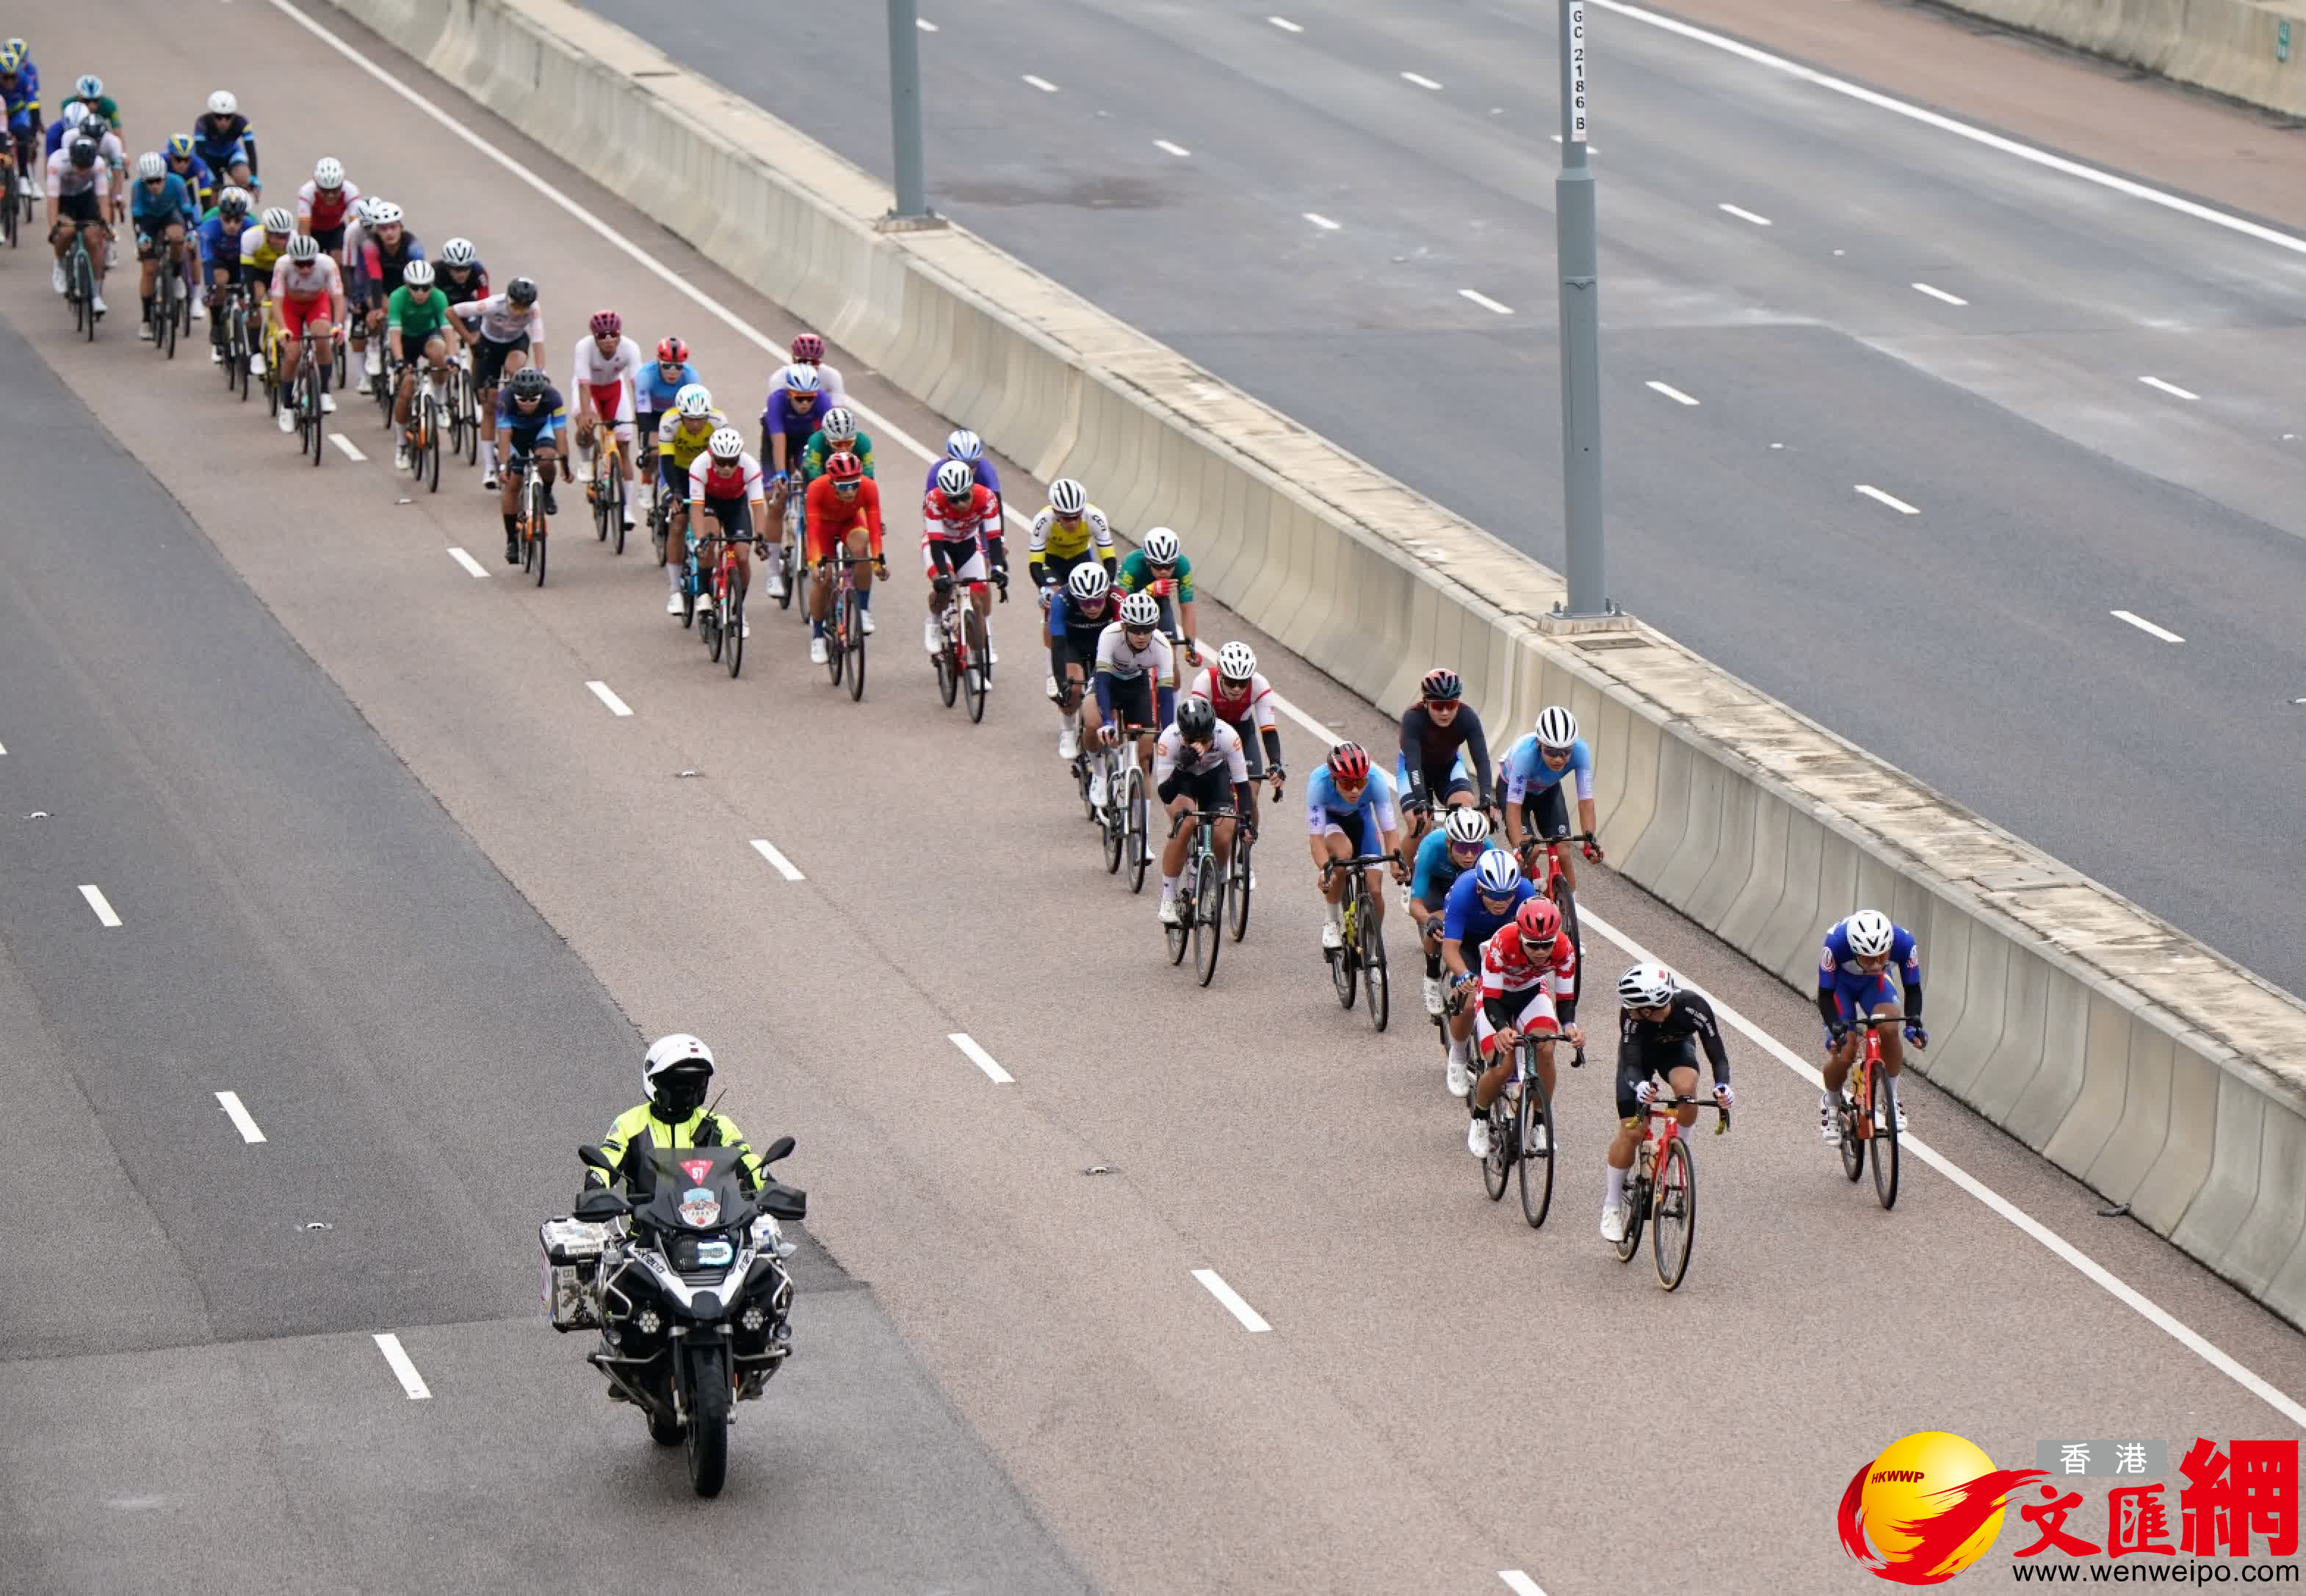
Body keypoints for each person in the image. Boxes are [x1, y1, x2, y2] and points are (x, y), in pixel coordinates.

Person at [1603, 963, 1732, 1243]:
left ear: (1650, 1008)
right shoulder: (1631, 1018)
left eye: (1635, 1008)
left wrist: (1722, 1086)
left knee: (1687, 1089)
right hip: (1639, 1059)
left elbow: (1717, 1054)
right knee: (1632, 1132)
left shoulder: (1693, 1006)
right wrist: (1640, 1086)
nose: (1630, 1010)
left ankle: (1679, 1147)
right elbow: (1632, 1062)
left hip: (1675, 1051)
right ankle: (1611, 1206)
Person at [582, 1034, 769, 1201]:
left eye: (696, 1082)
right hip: (645, 1234)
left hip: (714, 1229)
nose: (687, 1090)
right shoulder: (630, 1123)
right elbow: (607, 1161)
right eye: (678, 1082)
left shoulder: (719, 1125)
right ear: (655, 1081)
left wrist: (769, 1185)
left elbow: (747, 1160)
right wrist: (595, 1189)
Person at [1465, 897, 1581, 1160]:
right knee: (1503, 1066)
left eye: (1546, 945)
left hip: (1531, 992)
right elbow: (1492, 998)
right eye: (1533, 945)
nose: (1541, 952)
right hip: (1496, 996)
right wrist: (1502, 1028)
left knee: (1546, 1049)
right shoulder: (1502, 943)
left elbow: (1565, 998)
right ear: (1520, 935)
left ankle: (1540, 1122)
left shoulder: (1565, 948)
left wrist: (1570, 1026)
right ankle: (1480, 1118)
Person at [1816, 909, 1924, 1141]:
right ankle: (1832, 1104)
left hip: (1875, 986)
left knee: (1889, 1029)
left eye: (1882, 957)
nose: (1876, 964)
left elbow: (1913, 989)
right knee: (1845, 1054)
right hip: (1840, 986)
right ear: (1855, 951)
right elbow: (1825, 995)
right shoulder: (1835, 944)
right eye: (1868, 958)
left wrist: (1914, 1023)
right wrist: (1835, 1028)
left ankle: (1891, 1098)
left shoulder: (1904, 942)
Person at [1439, 848, 1535, 1096]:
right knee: (1472, 1001)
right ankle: (1458, 1057)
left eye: (1507, 896)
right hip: (1468, 942)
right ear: (1480, 888)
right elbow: (1450, 950)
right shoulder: (1462, 892)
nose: (1501, 902)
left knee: (1517, 994)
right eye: (1494, 895)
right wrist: (1464, 976)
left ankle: (1517, 1066)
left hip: (1505, 943)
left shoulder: (1525, 892)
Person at [1304, 741, 1406, 956]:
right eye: (1347, 783)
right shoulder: (1318, 783)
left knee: (1375, 889)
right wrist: (1325, 870)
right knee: (1342, 856)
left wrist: (1397, 862)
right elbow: (1315, 839)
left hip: (1362, 822)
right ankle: (1331, 921)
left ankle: (1372, 948)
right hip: (1332, 823)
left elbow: (1390, 831)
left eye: (1360, 782)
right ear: (1333, 778)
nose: (1355, 790)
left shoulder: (1376, 781)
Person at [1153, 696, 1248, 928]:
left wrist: (1245, 822)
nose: (1198, 744)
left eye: (1204, 739)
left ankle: (1211, 883)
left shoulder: (1228, 736)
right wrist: (1181, 766)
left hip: (1214, 779)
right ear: (1182, 734)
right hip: (1182, 782)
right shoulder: (1169, 739)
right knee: (1185, 823)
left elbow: (1243, 786)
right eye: (1191, 740)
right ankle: (1168, 897)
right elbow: (1165, 795)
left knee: (1224, 833)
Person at [1185, 640, 1284, 845]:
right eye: (1231, 682)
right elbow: (1196, 726)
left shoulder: (1260, 685)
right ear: (1220, 674)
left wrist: (1276, 763)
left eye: (1243, 682)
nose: (1237, 688)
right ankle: (1196, 846)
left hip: (1242, 733)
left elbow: (1269, 730)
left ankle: (1246, 850)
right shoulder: (1205, 681)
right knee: (1200, 788)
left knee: (1252, 795)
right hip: (1209, 733)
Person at [449, 274, 543, 488]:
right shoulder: (492, 305)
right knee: (490, 406)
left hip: (514, 344)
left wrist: (541, 371)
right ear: (508, 299)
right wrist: (469, 338)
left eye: (524, 307)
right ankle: (490, 468)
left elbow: (538, 341)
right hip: (489, 348)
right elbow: (452, 312)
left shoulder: (534, 309)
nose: (519, 311)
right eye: (516, 306)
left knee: (515, 371)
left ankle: (514, 415)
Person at [1084, 590, 1174, 809]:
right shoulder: (1110, 635)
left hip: (1137, 686)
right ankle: (1098, 772)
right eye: (1135, 629)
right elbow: (1103, 682)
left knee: (1144, 758)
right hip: (1108, 682)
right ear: (1124, 626)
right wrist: (1107, 721)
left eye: (1147, 629)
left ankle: (1141, 837)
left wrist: (1168, 731)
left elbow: (1166, 695)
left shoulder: (1162, 646)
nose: (1142, 636)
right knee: (1093, 724)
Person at [1500, 704, 1602, 893]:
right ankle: (1513, 898)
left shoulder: (1581, 751)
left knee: (1563, 850)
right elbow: (1514, 807)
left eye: (1565, 752)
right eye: (1552, 752)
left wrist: (1590, 841)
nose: (1559, 759)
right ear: (1539, 744)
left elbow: (1586, 799)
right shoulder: (1525, 756)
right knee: (1531, 850)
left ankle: (1568, 907)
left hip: (1547, 791)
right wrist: (1519, 849)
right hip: (1512, 793)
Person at [1409, 806, 1494, 1019]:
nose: (1469, 855)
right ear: (1449, 843)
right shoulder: (1431, 847)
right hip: (1438, 885)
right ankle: (1431, 975)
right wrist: (1428, 920)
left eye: (1475, 849)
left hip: (1468, 887)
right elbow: (1415, 905)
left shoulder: (1488, 850)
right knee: (1439, 924)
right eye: (1462, 847)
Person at [921, 457, 1006, 660]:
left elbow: (994, 539)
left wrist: (999, 570)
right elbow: (935, 542)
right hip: (941, 547)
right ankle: (934, 619)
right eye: (953, 499)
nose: (960, 503)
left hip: (968, 545)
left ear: (971, 487)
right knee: (946, 584)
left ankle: (978, 662)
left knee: (978, 601)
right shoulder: (933, 499)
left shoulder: (987, 498)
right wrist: (942, 575)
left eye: (964, 497)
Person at [803, 448, 883, 664]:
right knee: (824, 578)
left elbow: (875, 528)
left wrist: (878, 563)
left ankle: (864, 609)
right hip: (823, 528)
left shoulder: (868, 487)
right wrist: (815, 563)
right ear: (831, 483)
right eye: (843, 486)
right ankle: (818, 636)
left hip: (850, 522)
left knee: (862, 553)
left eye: (854, 485)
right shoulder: (817, 488)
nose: (850, 492)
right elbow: (812, 531)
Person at [655, 384, 730, 614]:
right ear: (681, 415)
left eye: (700, 419)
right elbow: (666, 462)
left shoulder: (718, 421)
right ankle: (675, 590)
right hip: (676, 473)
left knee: (712, 527)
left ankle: (708, 583)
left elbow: (724, 459)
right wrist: (675, 492)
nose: (696, 424)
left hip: (706, 475)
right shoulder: (669, 422)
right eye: (690, 419)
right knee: (678, 521)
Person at [1395, 668, 1492, 842]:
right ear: (1425, 703)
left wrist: (1486, 797)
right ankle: (1406, 869)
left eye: (1451, 705)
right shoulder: (1413, 718)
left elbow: (1482, 760)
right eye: (1438, 706)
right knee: (1420, 825)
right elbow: (1413, 763)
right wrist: (1422, 799)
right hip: (1415, 771)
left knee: (1465, 816)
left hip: (1448, 767)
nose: (1445, 712)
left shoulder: (1467, 717)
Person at [687, 426, 767, 634]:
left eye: (731, 462)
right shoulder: (699, 466)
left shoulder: (749, 465)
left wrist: (760, 538)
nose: (726, 468)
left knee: (742, 555)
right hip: (710, 503)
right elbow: (696, 509)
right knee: (709, 542)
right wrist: (699, 539)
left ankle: (738, 610)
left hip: (736, 505)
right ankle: (704, 593)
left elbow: (758, 506)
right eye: (721, 462)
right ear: (712, 456)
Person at [568, 308, 643, 534]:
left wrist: (641, 416)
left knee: (623, 446)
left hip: (613, 390)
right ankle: (585, 464)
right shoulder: (584, 348)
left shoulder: (630, 348)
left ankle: (627, 509)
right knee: (586, 426)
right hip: (588, 389)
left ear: (620, 334)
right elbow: (583, 385)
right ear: (595, 337)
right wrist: (585, 415)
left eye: (613, 335)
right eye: (603, 337)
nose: (609, 340)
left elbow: (636, 385)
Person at [387, 259, 463, 466]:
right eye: (415, 288)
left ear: (433, 285)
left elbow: (448, 331)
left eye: (425, 288)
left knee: (439, 353)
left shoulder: (439, 297)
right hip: (404, 340)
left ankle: (438, 404)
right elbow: (394, 334)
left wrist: (453, 357)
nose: (421, 293)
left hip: (427, 335)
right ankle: (402, 444)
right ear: (406, 286)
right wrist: (401, 362)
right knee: (407, 386)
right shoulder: (397, 298)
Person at [270, 232, 344, 427]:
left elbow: (338, 299)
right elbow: (276, 302)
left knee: (322, 336)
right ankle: (286, 406)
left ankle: (325, 391)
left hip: (316, 304)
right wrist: (283, 329)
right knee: (293, 354)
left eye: (309, 264)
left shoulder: (327, 264)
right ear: (291, 261)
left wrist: (338, 326)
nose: (305, 269)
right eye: (299, 264)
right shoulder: (282, 265)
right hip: (290, 306)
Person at [496, 364, 571, 561]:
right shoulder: (504, 400)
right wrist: (503, 466)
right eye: (522, 399)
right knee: (513, 483)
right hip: (515, 435)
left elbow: (560, 434)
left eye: (533, 399)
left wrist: (565, 464)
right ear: (514, 396)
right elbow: (504, 436)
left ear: (541, 395)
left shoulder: (553, 397)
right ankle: (511, 539)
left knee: (547, 458)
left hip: (541, 430)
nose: (528, 403)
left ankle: (546, 491)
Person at [1047, 560, 1115, 761]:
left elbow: (1124, 638)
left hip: (1103, 643)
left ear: (1105, 594)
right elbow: (1057, 646)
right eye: (1085, 603)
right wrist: (1062, 686)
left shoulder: (1117, 597)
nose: (1092, 607)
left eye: (1097, 601)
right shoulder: (1061, 600)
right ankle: (1067, 729)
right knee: (1074, 686)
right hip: (1072, 644)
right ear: (1075, 598)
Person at [353, 199, 421, 394]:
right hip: (376, 283)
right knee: (380, 309)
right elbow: (374, 277)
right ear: (377, 231)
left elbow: (418, 276)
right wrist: (376, 310)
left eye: (393, 227)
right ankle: (374, 345)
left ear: (401, 227)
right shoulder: (370, 246)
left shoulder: (413, 246)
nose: (389, 233)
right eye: (383, 229)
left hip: (404, 282)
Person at [126, 151, 198, 338]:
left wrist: (190, 232)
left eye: (159, 180)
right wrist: (141, 237)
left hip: (169, 215)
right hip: (147, 221)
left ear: (165, 176)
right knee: (149, 270)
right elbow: (136, 218)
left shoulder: (176, 183)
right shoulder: (137, 188)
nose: (155, 186)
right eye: (149, 182)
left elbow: (186, 210)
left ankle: (175, 276)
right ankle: (146, 321)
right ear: (143, 181)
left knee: (177, 237)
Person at [1115, 526, 1199, 669]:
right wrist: (1148, 591)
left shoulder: (1183, 565)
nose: (1164, 571)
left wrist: (1190, 647)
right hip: (1131, 609)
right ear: (1148, 561)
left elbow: (1187, 609)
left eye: (1169, 565)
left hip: (1160, 604)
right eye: (1158, 566)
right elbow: (1120, 604)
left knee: (1171, 664)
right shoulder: (1131, 563)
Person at [43, 133, 109, 311]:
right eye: (79, 166)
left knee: (93, 240)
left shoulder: (98, 165)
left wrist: (106, 224)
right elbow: (52, 202)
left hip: (85, 198)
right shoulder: (56, 163)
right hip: (63, 199)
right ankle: (59, 265)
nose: (82, 171)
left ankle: (96, 296)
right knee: (65, 232)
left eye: (86, 167)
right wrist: (54, 228)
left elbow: (103, 199)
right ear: (71, 158)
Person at [1025, 477, 1113, 599]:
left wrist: (1108, 586)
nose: (1072, 523)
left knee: (1089, 597)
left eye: (1077, 516)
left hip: (1081, 558)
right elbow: (1035, 564)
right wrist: (1044, 589)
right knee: (1054, 598)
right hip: (1052, 562)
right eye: (1067, 518)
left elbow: (1109, 559)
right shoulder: (1043, 520)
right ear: (1056, 513)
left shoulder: (1095, 518)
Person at [195, 185, 251, 361]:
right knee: (221, 281)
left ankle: (249, 342)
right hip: (218, 261)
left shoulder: (252, 227)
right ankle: (218, 327)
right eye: (227, 220)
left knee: (246, 302)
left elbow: (255, 260)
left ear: (244, 218)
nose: (232, 226)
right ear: (220, 216)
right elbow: (207, 260)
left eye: (237, 220)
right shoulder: (209, 229)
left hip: (241, 261)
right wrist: (211, 287)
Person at [635, 335, 699, 486]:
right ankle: (646, 479)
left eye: (678, 367)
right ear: (658, 362)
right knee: (655, 453)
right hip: (653, 415)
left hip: (678, 415)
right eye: (667, 366)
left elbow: (697, 409)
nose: (672, 372)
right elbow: (642, 410)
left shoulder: (691, 376)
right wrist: (643, 448)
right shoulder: (645, 375)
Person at [237, 204, 294, 374]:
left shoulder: (293, 241)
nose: (283, 241)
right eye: (278, 236)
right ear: (267, 233)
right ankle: (255, 353)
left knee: (285, 303)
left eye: (285, 236)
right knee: (257, 298)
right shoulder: (251, 237)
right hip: (258, 272)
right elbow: (247, 272)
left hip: (280, 272)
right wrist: (251, 299)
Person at [294, 156, 360, 259]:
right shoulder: (307, 192)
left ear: (342, 184)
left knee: (339, 261)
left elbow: (355, 226)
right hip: (313, 230)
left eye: (335, 190)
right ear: (316, 185)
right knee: (309, 260)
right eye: (325, 190)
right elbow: (304, 228)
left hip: (336, 229)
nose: (331, 195)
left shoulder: (351, 191)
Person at [189, 90, 256, 190]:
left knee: (243, 177)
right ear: (212, 115)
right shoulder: (202, 123)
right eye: (218, 117)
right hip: (208, 158)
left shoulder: (242, 123)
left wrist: (254, 177)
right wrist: (211, 178)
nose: (223, 121)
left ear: (233, 115)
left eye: (228, 117)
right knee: (213, 189)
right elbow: (200, 154)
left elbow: (251, 151)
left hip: (231, 154)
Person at [767, 330, 846, 408]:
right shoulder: (779, 378)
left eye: (814, 362)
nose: (808, 366)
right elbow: (776, 410)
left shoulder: (833, 376)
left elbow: (838, 411)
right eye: (803, 362)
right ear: (793, 359)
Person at [1, 41, 42, 194]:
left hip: (17, 114)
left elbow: (34, 107)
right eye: (6, 78)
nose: (11, 82)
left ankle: (24, 176)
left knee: (24, 137)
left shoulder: (25, 78)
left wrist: (31, 135)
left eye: (14, 77)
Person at [928, 427, 1000, 505]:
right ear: (949, 460)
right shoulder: (936, 473)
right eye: (960, 465)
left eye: (971, 464)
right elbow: (930, 507)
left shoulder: (987, 472)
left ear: (978, 461)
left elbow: (997, 507)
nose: (966, 471)